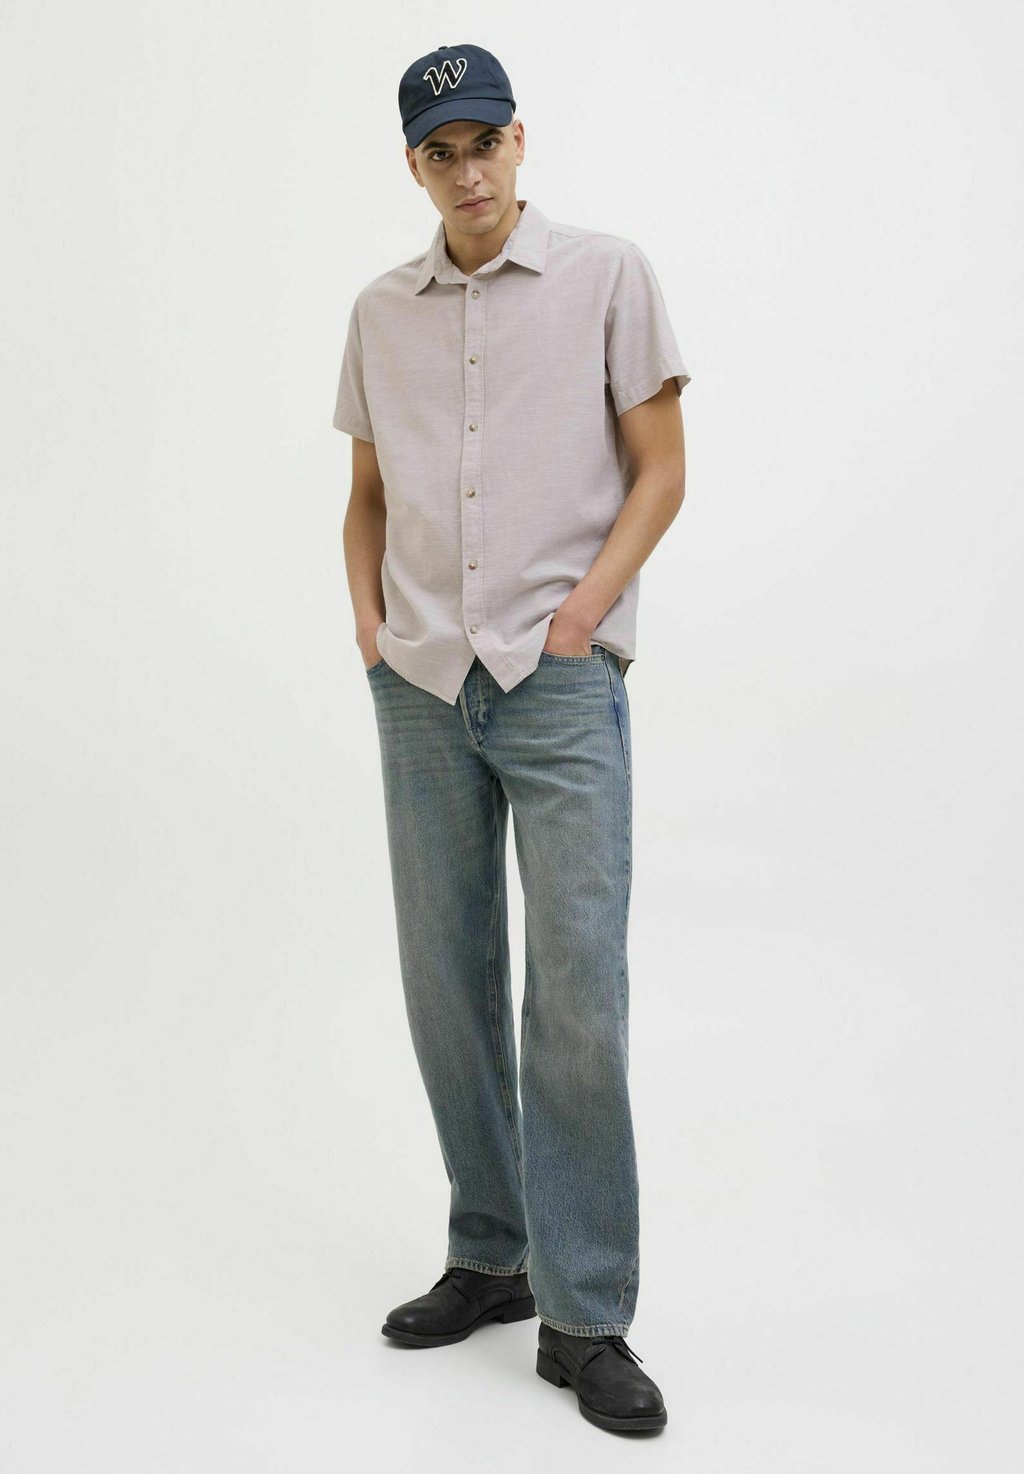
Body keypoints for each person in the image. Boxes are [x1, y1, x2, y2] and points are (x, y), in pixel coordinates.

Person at [332, 42, 690, 1434]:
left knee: (578, 989)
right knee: (447, 978)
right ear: (413, 166)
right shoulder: (380, 311)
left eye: (485, 142)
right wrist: (371, 628)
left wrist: (585, 615)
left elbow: (661, 469)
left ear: (520, 143)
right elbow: (365, 493)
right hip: (421, 682)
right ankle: (490, 1253)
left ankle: (586, 1316)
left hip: (558, 679)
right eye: (442, 151)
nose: (468, 170)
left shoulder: (607, 276)